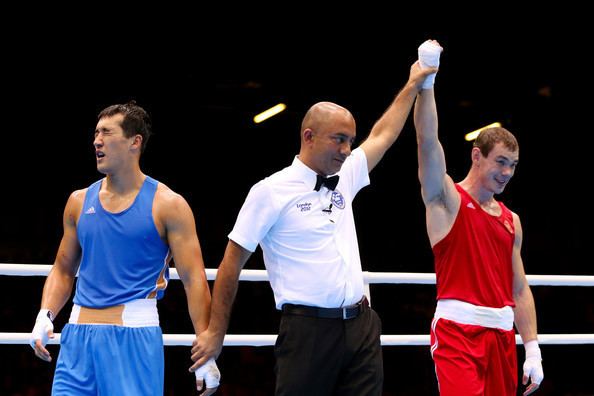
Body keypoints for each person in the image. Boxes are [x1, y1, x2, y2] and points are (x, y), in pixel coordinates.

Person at [189, 47, 438, 395]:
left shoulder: (346, 174)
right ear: (309, 136)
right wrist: (216, 333)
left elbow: (383, 134)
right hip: (307, 330)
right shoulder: (270, 191)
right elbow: (231, 263)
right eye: (339, 139)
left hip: (361, 325)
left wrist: (414, 82)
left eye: (350, 140)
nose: (347, 150)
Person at [29, 101, 220, 395]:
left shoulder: (168, 205)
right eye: (95, 133)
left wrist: (206, 346)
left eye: (106, 132)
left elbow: (194, 280)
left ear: (135, 142)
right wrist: (45, 314)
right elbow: (64, 269)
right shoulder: (79, 201)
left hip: (134, 336)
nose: (96, 140)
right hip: (77, 338)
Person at [413, 40, 544, 395]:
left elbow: (518, 286)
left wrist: (531, 347)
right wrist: (427, 83)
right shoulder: (446, 199)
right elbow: (427, 141)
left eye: (513, 166)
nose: (507, 173)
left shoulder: (511, 220)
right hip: (457, 332)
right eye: (500, 162)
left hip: (502, 336)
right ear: (477, 156)